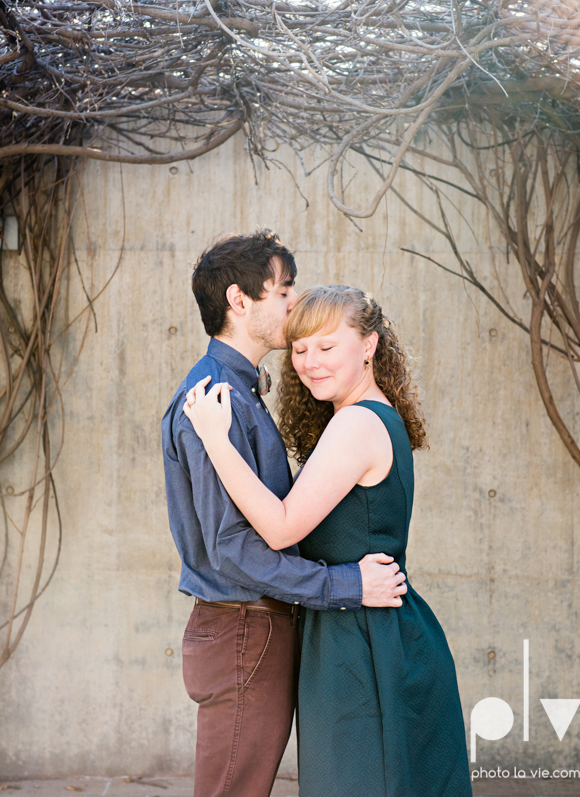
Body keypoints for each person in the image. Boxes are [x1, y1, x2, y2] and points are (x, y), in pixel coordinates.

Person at [183, 284, 473, 797]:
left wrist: (214, 438)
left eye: (327, 346)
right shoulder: (363, 415)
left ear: (369, 346)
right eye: (300, 349)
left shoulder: (357, 425)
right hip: (365, 630)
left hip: (362, 644)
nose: (310, 362)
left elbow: (280, 526)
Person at [161, 233, 408, 797]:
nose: (294, 305)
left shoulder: (242, 393)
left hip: (257, 628)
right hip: (243, 627)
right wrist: (343, 583)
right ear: (240, 300)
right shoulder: (213, 401)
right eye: (285, 291)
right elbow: (234, 548)